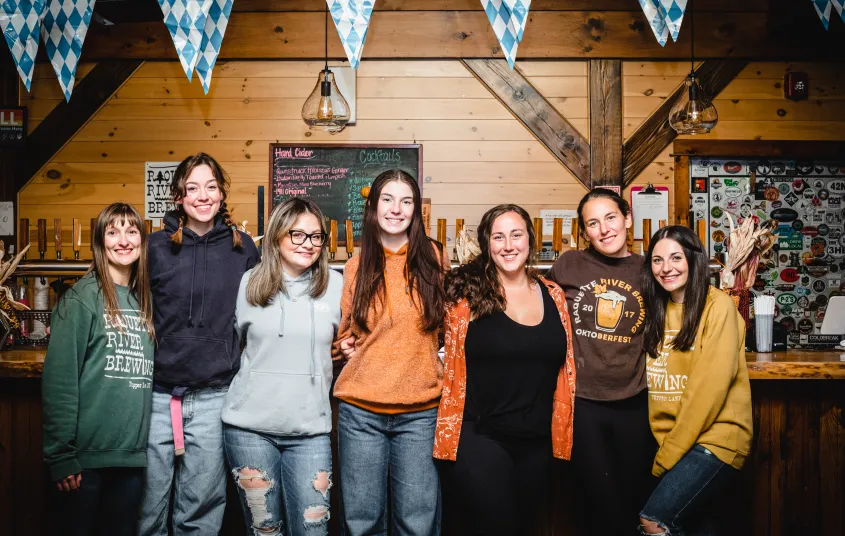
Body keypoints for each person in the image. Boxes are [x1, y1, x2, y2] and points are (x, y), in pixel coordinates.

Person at [433, 203, 576, 535]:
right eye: (498, 237)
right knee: (500, 525)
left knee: (526, 526)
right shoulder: (464, 295)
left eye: (516, 235)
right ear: (487, 243)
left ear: (530, 240)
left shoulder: (553, 295)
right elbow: (422, 332)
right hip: (479, 435)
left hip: (538, 441)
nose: (508, 245)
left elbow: (564, 368)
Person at [140, 153, 260, 535]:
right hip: (156, 396)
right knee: (148, 509)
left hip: (214, 396)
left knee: (201, 510)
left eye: (211, 187)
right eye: (193, 188)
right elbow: (134, 307)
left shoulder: (243, 249)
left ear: (222, 194)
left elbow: (258, 316)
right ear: (179, 196)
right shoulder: (154, 247)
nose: (202, 196)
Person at [333, 169, 448, 536]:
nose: (396, 209)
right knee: (362, 521)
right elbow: (344, 335)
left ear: (416, 211)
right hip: (361, 411)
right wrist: (344, 346)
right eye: (387, 199)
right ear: (373, 207)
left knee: (417, 522)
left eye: (406, 201)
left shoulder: (434, 260)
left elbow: (445, 330)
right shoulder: (356, 265)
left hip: (420, 412)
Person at [222, 198, 342, 536]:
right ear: (277, 236)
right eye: (298, 235)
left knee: (313, 529)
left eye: (316, 236)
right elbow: (229, 345)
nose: (308, 244)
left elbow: (352, 339)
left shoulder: (336, 286)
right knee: (264, 530)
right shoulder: (248, 283)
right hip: (249, 430)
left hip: (310, 432)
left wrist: (344, 347)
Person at [42, 203, 156, 536]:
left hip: (132, 460)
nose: (123, 240)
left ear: (142, 241)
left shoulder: (144, 299)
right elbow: (60, 382)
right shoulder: (82, 298)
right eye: (113, 231)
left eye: (131, 231)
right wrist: (61, 456)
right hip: (84, 463)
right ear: (99, 241)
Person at [547, 189, 656, 535]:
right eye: (593, 223)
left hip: (635, 402)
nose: (604, 229)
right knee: (598, 504)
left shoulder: (648, 270)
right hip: (584, 404)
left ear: (627, 219)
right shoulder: (569, 264)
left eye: (610, 218)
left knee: (636, 502)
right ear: (585, 232)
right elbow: (538, 308)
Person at [639, 226, 752, 535]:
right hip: (675, 442)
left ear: (693, 259)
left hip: (714, 440)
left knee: (654, 520)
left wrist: (668, 455)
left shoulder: (718, 307)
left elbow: (708, 391)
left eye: (676, 257)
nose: (666, 268)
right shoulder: (656, 309)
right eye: (658, 260)